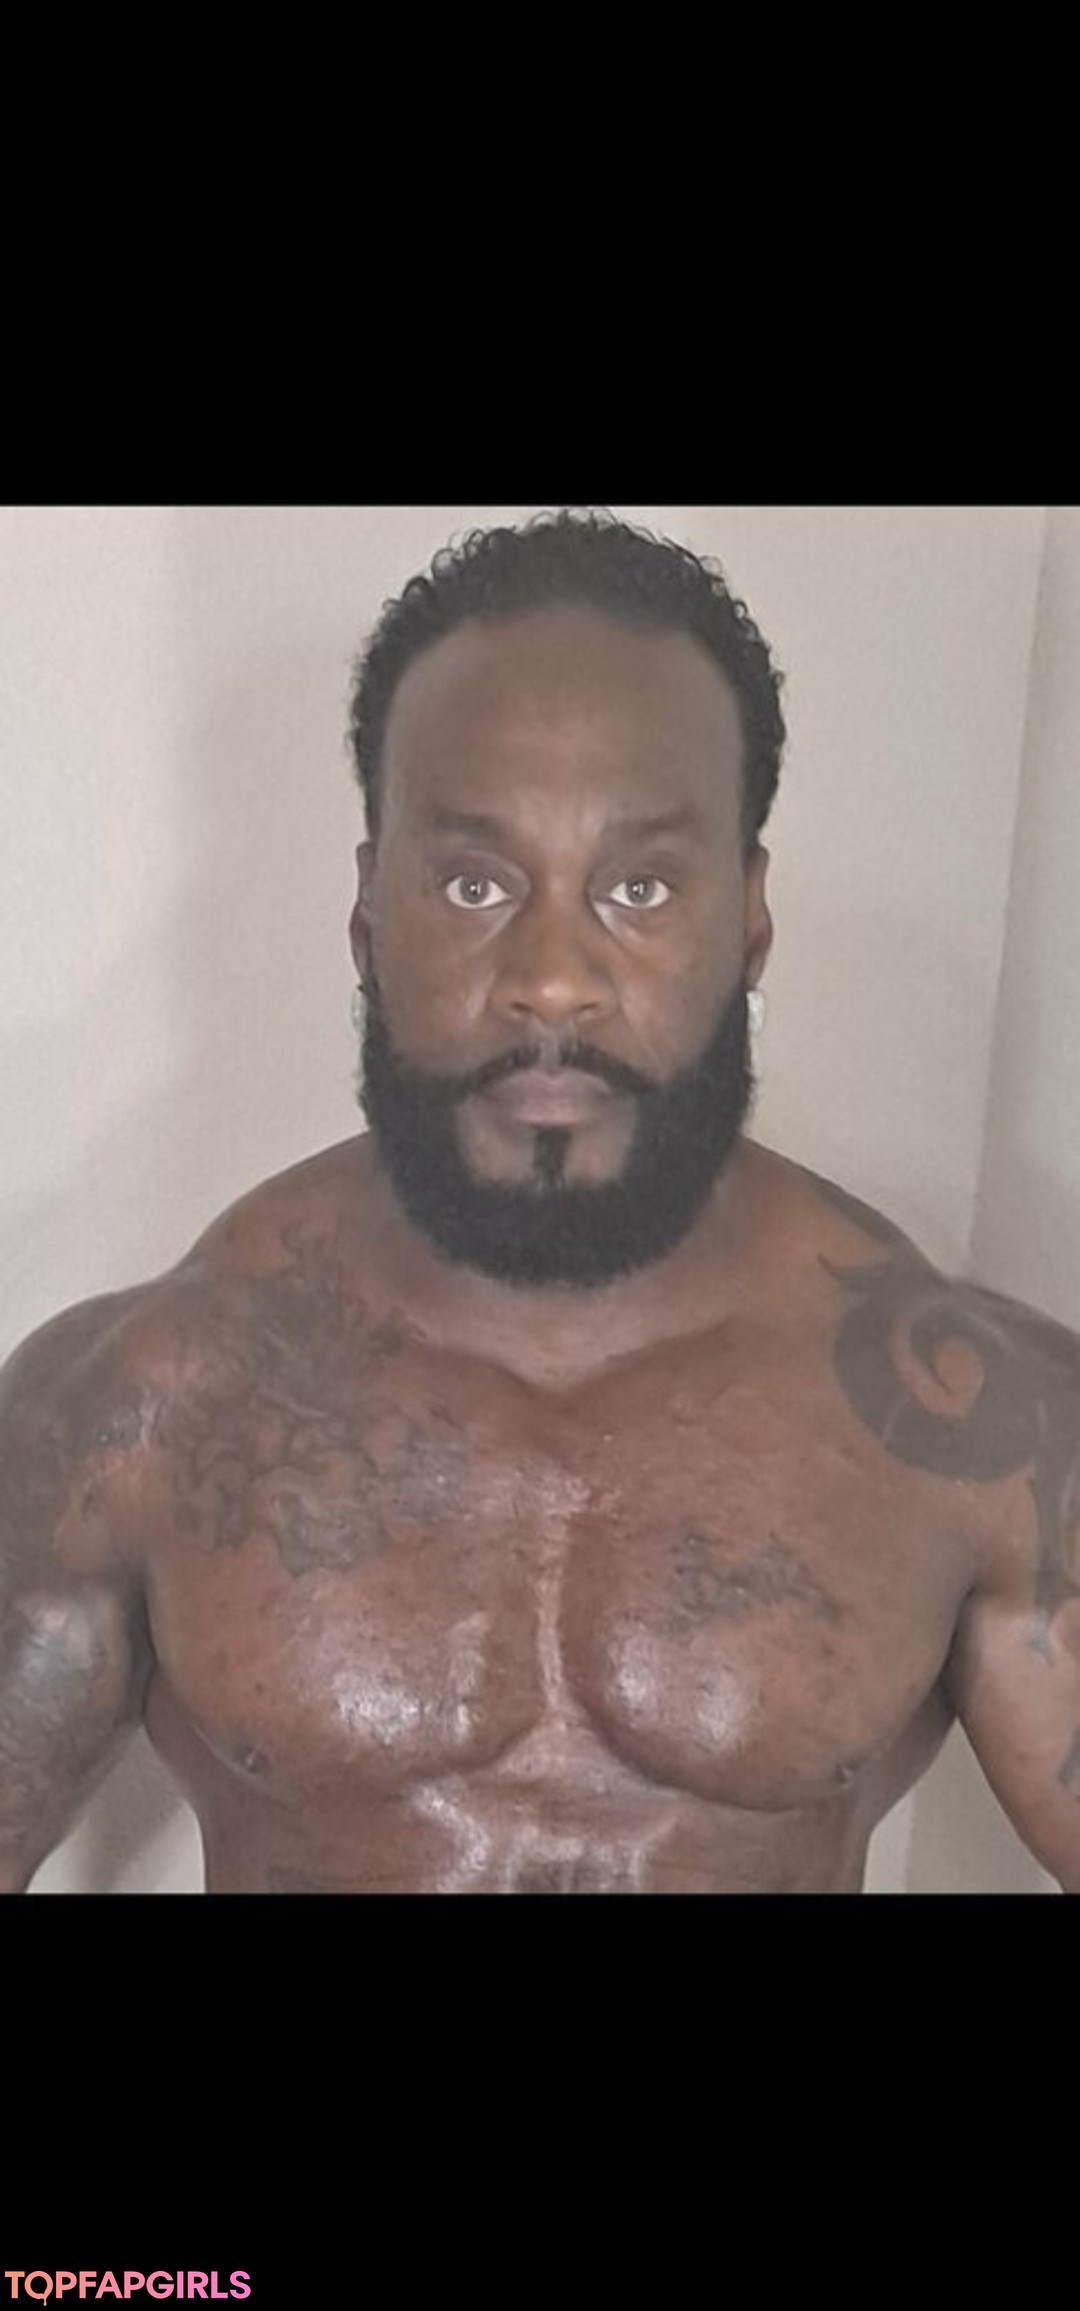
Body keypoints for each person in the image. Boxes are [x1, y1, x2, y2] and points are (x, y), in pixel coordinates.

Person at [2, 508, 1078, 1896]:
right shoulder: (138, 1407)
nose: (553, 978)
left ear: (748, 919)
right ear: (368, 913)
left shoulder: (985, 1435)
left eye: (639, 885)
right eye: (474, 882)